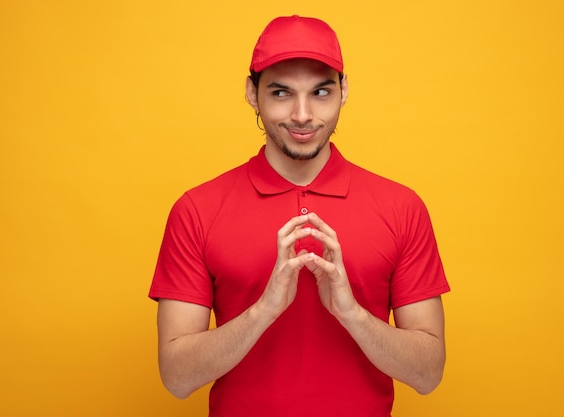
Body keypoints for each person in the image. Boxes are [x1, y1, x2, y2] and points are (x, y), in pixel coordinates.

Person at [149, 15, 450, 417]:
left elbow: (428, 374)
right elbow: (176, 377)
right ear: (252, 94)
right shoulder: (197, 210)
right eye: (281, 93)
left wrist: (352, 314)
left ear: (343, 92)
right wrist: (264, 310)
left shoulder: (401, 207)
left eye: (321, 92)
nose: (303, 115)